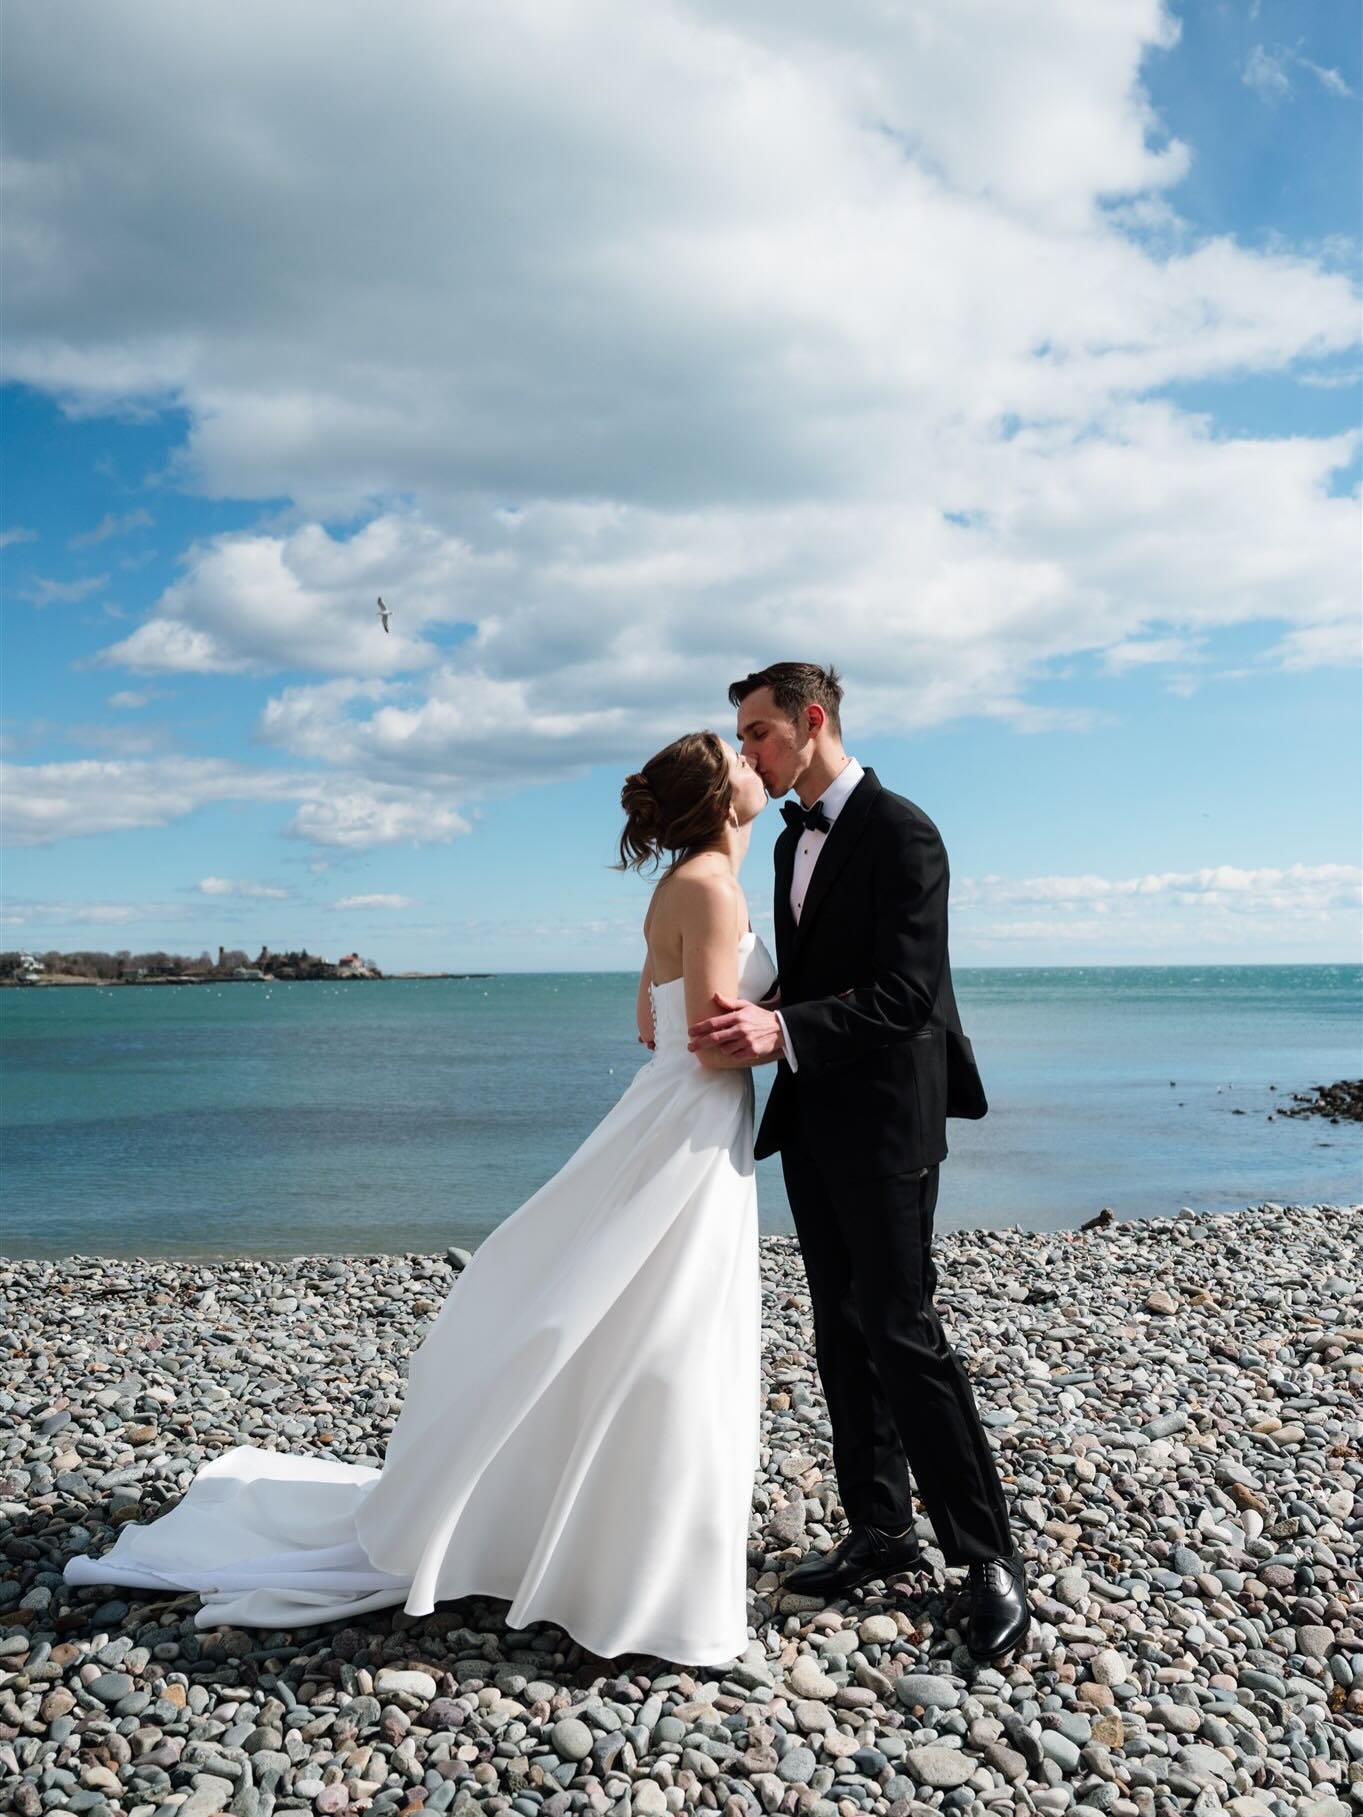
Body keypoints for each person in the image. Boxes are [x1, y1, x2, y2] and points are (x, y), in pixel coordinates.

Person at [63, 732, 775, 1667]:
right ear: (723, 796)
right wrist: (790, 1031)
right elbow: (714, 1035)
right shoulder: (714, 887)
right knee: (665, 1322)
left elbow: (649, 1018)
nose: (758, 767)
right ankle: (634, 1567)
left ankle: (597, 1539)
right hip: (689, 1123)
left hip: (669, 1111)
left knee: (635, 1315)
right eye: (742, 757)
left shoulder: (679, 884)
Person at [687, 662, 1032, 1664]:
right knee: (839, 1328)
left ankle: (988, 1555)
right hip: (815, 1112)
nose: (744, 752)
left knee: (902, 1328)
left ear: (812, 721)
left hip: (887, 1116)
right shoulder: (791, 835)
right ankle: (879, 1527)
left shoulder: (903, 830)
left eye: (756, 732)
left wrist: (779, 1026)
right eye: (742, 734)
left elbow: (908, 992)